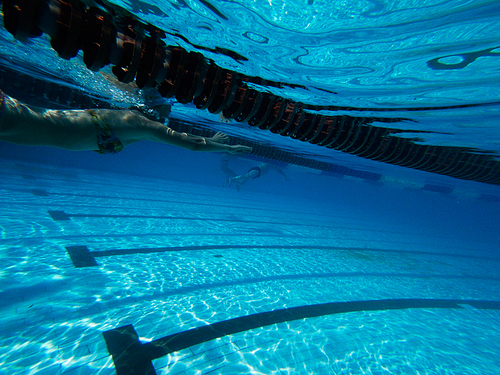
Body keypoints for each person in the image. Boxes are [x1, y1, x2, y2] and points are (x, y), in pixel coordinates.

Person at [0, 90, 252, 154]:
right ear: (155, 105)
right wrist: (227, 148)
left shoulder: (140, 127)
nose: (171, 109)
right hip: (27, 125)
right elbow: (193, 145)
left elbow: (191, 140)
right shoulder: (141, 123)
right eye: (169, 104)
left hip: (26, 131)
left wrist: (213, 141)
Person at [224, 160, 290, 190]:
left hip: (259, 173)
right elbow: (279, 170)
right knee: (247, 176)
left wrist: (285, 176)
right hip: (258, 170)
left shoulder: (274, 165)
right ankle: (232, 179)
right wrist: (285, 176)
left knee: (241, 183)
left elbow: (279, 171)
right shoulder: (270, 161)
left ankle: (231, 180)